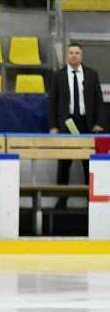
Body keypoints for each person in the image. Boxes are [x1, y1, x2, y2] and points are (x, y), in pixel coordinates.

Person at [48, 43, 105, 206]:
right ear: (67, 55)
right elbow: (52, 102)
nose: (74, 55)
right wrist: (53, 126)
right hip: (66, 123)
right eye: (71, 53)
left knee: (89, 163)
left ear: (82, 55)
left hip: (86, 124)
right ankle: (62, 199)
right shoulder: (58, 76)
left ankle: (91, 199)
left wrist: (99, 123)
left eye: (77, 53)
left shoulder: (92, 75)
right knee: (64, 162)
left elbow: (99, 102)